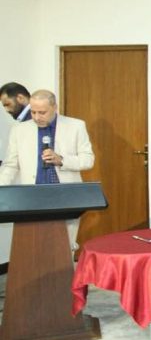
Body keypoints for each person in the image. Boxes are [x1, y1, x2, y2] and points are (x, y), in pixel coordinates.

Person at [0, 89, 94, 250]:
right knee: (31, 248)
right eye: (33, 112)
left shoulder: (76, 126)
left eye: (42, 112)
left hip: (65, 196)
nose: (37, 117)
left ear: (54, 107)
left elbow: (88, 160)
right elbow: (10, 165)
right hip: (30, 199)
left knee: (65, 248)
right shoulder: (19, 130)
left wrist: (61, 160)